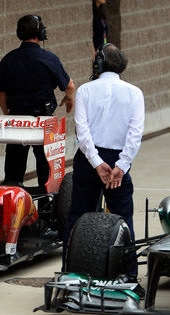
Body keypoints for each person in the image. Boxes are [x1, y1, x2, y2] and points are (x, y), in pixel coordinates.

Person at [63, 44, 145, 277]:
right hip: (118, 158)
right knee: (124, 218)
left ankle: (69, 272)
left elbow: (82, 131)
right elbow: (135, 133)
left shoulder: (86, 90)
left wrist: (97, 162)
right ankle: (129, 276)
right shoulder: (135, 92)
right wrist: (121, 165)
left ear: (97, 65)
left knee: (77, 217)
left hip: (90, 160)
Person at [0, 14, 75, 190]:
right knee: (47, 175)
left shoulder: (7, 60)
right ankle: (47, 209)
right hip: (44, 121)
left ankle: (14, 209)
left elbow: (2, 94)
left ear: (19, 33)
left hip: (17, 120)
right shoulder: (49, 58)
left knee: (13, 174)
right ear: (41, 33)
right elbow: (69, 86)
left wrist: (6, 113)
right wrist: (69, 99)